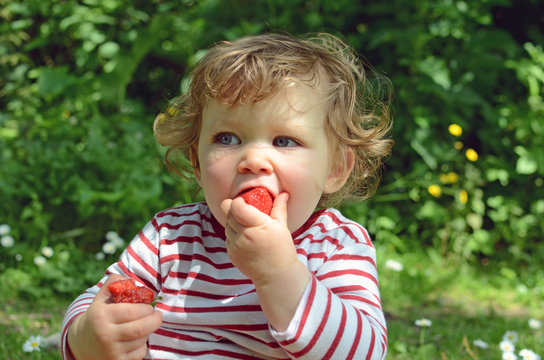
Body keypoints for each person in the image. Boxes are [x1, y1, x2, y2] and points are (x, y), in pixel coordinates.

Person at [61, 32, 393, 360]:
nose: (253, 160)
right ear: (197, 161)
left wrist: (278, 273)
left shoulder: (335, 245)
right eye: (227, 138)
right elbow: (99, 298)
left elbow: (363, 352)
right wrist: (86, 337)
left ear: (335, 168)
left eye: (285, 141)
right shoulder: (171, 237)